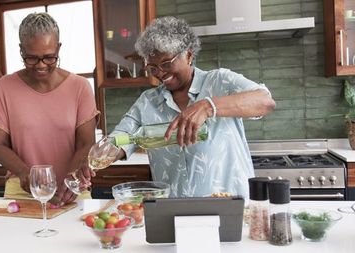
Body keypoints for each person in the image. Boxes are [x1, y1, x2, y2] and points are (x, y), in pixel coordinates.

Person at [82, 16, 275, 200]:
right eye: (153, 67)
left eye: (166, 63)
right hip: (173, 214)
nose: (160, 73)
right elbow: (122, 137)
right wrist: (102, 153)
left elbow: (265, 101)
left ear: (189, 55)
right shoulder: (147, 102)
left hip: (231, 210)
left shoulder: (220, 82)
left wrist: (209, 106)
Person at [0, 12, 99, 205]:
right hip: (22, 190)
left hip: (71, 189)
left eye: (49, 57)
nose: (41, 66)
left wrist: (70, 179)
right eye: (32, 58)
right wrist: (24, 173)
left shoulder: (80, 87)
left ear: (58, 48)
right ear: (21, 50)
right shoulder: (5, 86)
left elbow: (86, 143)